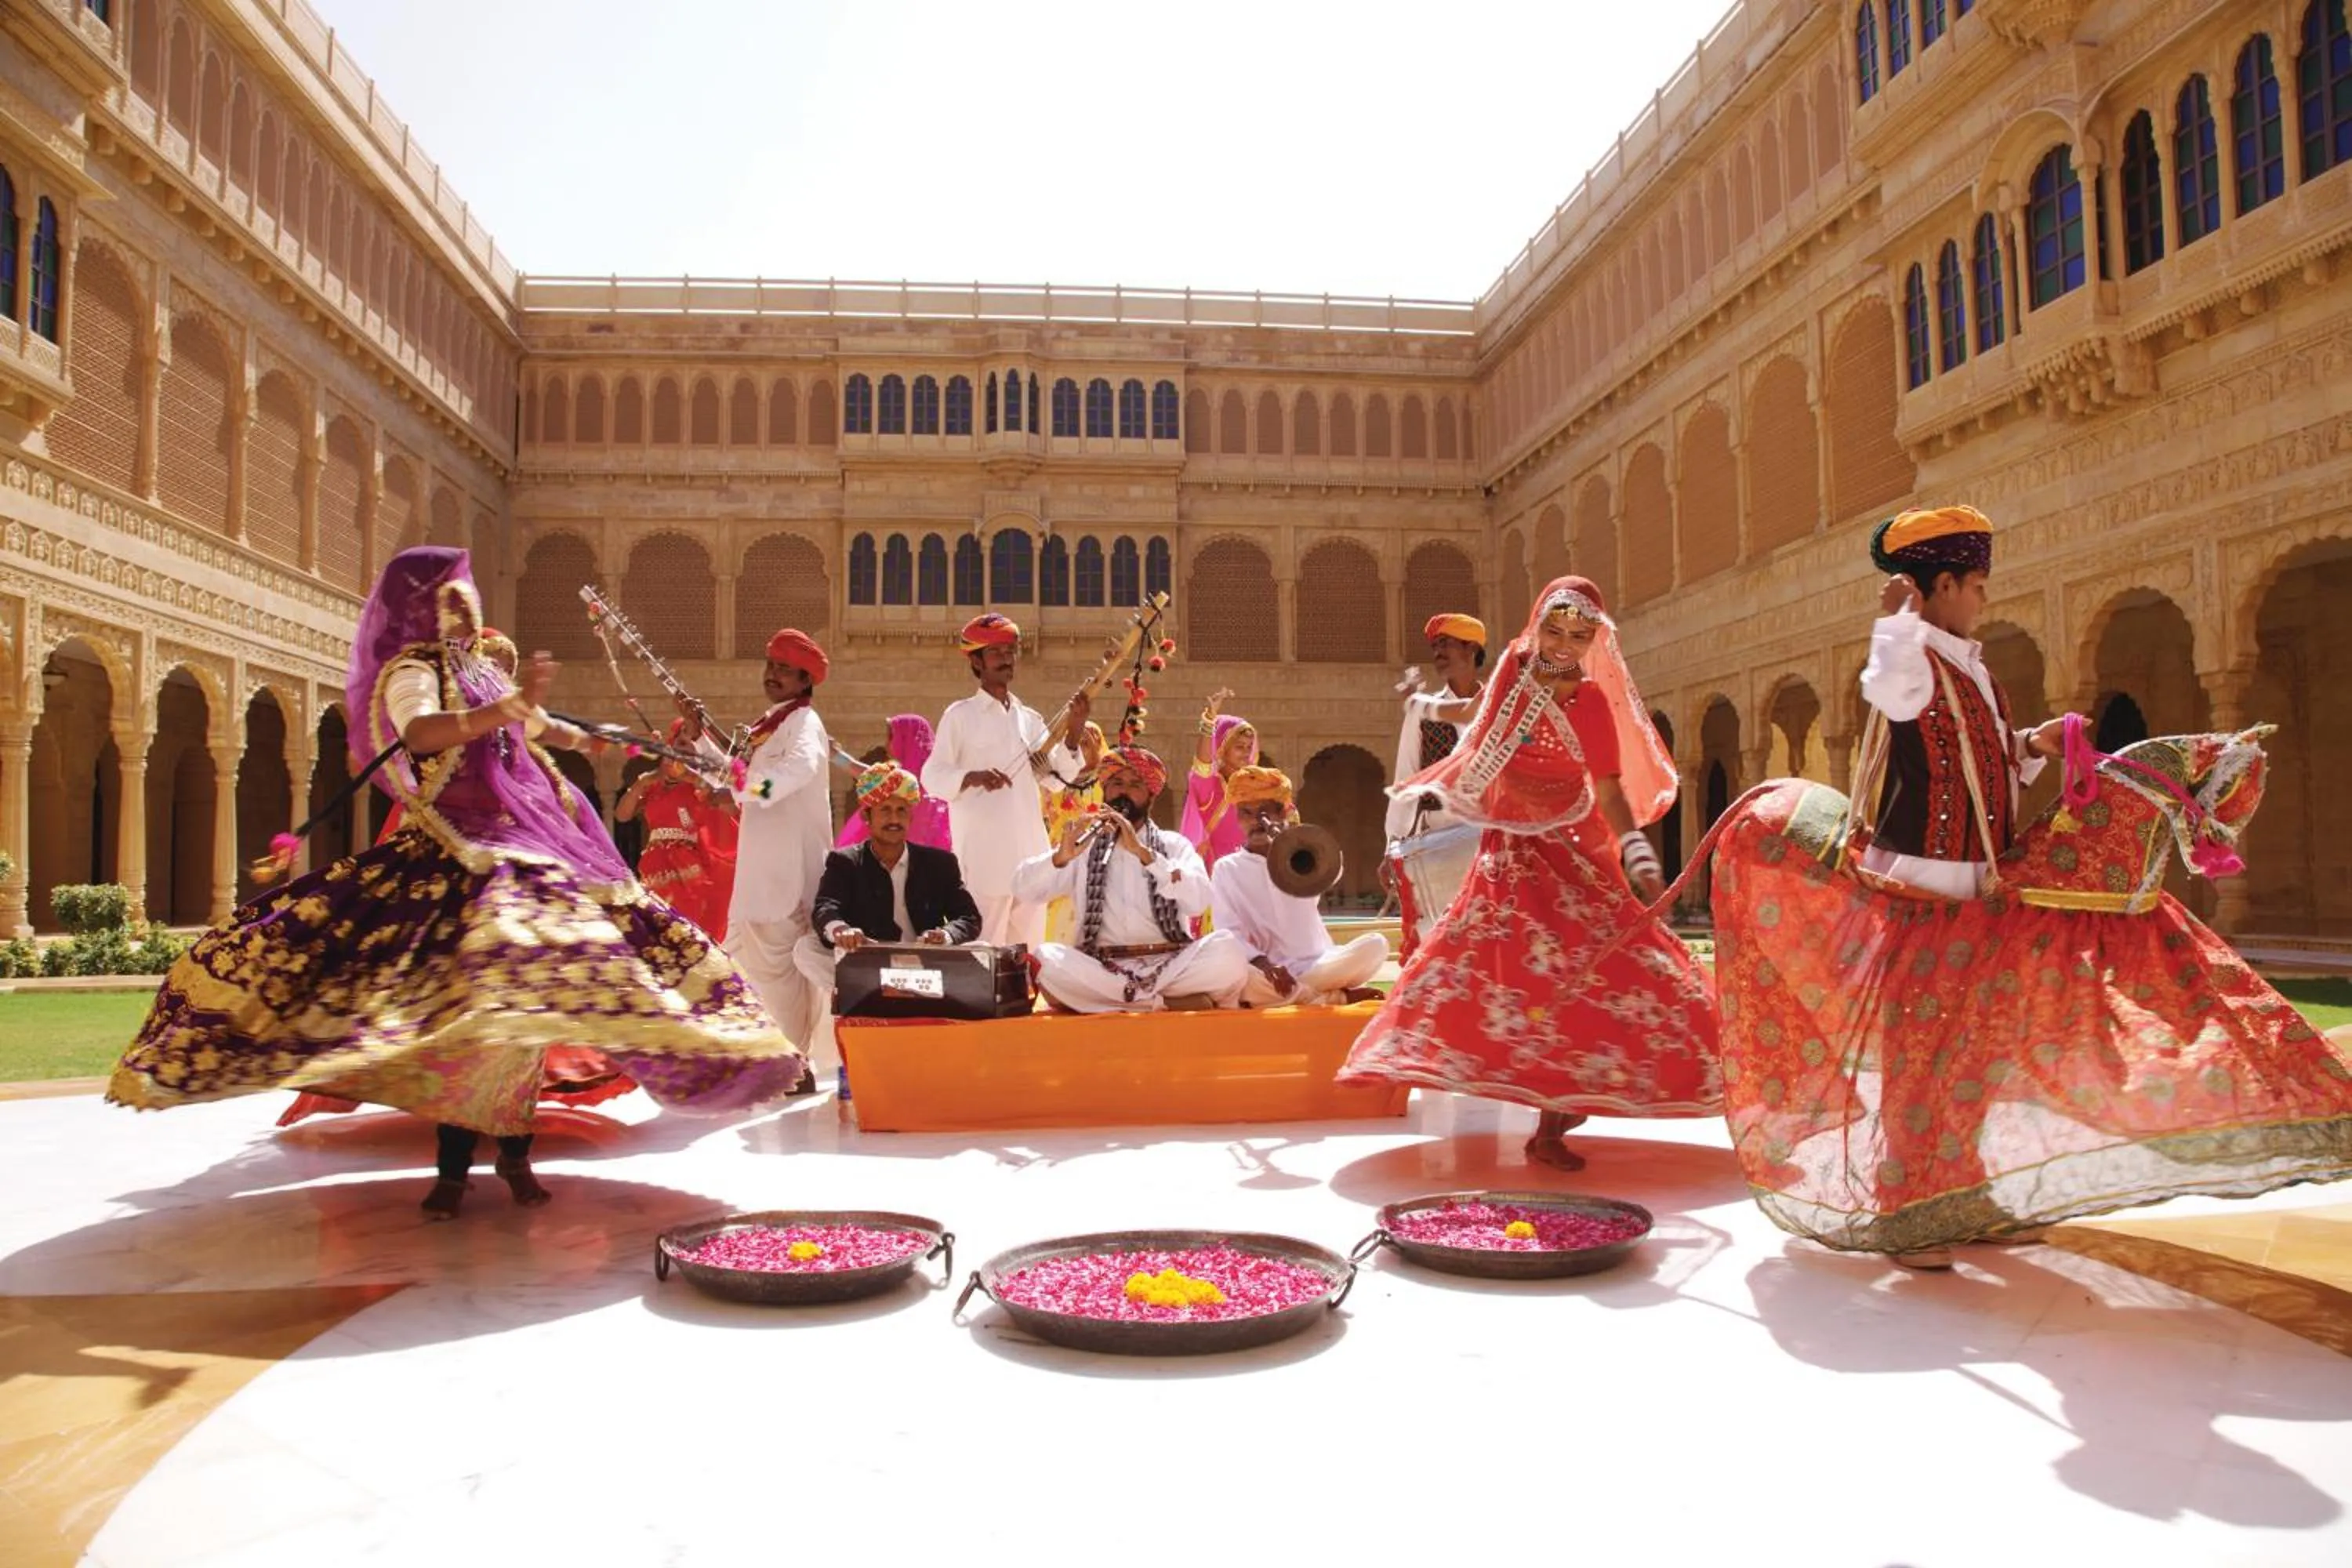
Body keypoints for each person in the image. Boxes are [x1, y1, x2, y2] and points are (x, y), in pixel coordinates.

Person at [107, 546, 801, 1218]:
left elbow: (543, 729)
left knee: (532, 1006)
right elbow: (421, 734)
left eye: (469, 602)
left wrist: (601, 740)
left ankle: (515, 1153)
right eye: (452, 603)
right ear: (422, 612)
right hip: (458, 859)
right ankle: (454, 1168)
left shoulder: (484, 676)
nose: (467, 613)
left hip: (531, 848)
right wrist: (502, 713)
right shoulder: (413, 671)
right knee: (472, 1021)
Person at [1338, 575, 1719, 1171]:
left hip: (1577, 845)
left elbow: (1609, 786)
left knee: (1611, 966)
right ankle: (1523, 1104)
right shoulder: (1517, 675)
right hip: (1516, 851)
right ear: (1537, 626)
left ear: (1595, 640)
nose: (1565, 645)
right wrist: (1427, 706)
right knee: (1512, 974)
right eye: (1555, 631)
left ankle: (1555, 1120)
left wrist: (1635, 846)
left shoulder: (1591, 701)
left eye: (1579, 635)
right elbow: (1478, 719)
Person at [1857, 505, 2069, 898]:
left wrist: (2032, 744)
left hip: (1984, 866)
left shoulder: (1974, 670)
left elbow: (1978, 754)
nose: (1983, 601)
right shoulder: (1914, 658)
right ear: (1946, 586)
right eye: (1978, 587)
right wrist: (1902, 619)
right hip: (1927, 874)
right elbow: (1886, 691)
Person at [684, 627, 835, 1085]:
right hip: (761, 871)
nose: (773, 675)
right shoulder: (769, 726)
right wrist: (699, 740)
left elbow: (795, 772)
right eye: (770, 666)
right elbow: (729, 778)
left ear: (805, 681)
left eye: (784, 669)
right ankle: (774, 1062)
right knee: (756, 972)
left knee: (782, 975)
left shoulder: (804, 724)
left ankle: (792, 1066)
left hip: (786, 873)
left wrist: (749, 787)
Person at [1012, 746, 1254, 1013]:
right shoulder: (1084, 847)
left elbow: (1198, 900)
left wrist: (1146, 857)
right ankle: (1162, 1002)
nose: (1123, 791)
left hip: (1172, 962)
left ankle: (1121, 1002)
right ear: (1105, 791)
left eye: (1134, 784)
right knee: (1046, 961)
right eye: (1116, 783)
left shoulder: (1173, 846)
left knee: (1229, 952)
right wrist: (1060, 857)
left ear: (1151, 795)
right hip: (1104, 967)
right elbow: (1023, 888)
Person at [922, 613, 1087, 948]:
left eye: (1010, 652)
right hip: (984, 858)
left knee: (1028, 954)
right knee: (984, 952)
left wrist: (1075, 731)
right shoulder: (960, 716)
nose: (1007, 659)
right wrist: (971, 776)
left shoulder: (1030, 719)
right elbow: (932, 777)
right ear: (976, 661)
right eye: (996, 652)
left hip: (1030, 855)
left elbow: (1056, 780)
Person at [793, 762, 985, 1030]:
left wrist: (946, 935)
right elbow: (826, 908)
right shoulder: (845, 862)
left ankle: (898, 998)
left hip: (926, 962)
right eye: (885, 810)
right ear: (867, 817)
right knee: (806, 949)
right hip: (873, 965)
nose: (894, 819)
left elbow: (968, 918)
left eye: (901, 811)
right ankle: (868, 999)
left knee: (985, 951)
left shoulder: (939, 863)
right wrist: (842, 931)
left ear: (910, 817)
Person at [1210, 766, 1388, 1007]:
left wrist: (1293, 843)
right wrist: (1264, 964)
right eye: (1246, 813)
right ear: (1238, 818)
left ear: (1282, 813)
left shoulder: (1303, 853)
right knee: (1244, 982)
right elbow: (1229, 932)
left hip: (1319, 962)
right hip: (1269, 972)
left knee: (1376, 945)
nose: (1256, 821)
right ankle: (1334, 997)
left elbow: (1333, 872)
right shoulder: (1227, 869)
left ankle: (1305, 996)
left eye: (1264, 812)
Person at [1385, 613, 1488, 957]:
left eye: (1445, 644)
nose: (1438, 653)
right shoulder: (1423, 711)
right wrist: (1391, 846)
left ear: (1471, 648)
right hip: (1433, 842)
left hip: (1489, 842)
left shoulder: (1498, 708)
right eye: (1435, 647)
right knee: (1437, 942)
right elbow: (1406, 777)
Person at [617, 720, 738, 940]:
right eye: (678, 747)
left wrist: (692, 778)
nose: (682, 755)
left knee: (685, 930)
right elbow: (622, 815)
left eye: (690, 747)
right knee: (655, 930)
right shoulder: (654, 785)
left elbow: (728, 807)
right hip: (654, 867)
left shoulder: (701, 785)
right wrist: (642, 783)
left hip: (688, 870)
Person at [837, 714, 953, 853]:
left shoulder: (904, 780)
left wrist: (834, 755)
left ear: (905, 740)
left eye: (891, 738)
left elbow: (861, 772)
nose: (886, 745)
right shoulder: (936, 777)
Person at [1040, 720, 1109, 944]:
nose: (1081, 748)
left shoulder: (1108, 780)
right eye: (1077, 744)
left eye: (1087, 743)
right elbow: (1047, 809)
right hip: (1060, 848)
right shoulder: (1057, 779)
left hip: (1095, 851)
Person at [1180, 693, 1259, 871]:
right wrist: (1209, 722)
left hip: (1250, 871)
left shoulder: (1255, 786)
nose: (1246, 752)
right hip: (1215, 873)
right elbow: (1202, 765)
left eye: (1249, 747)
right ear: (1222, 748)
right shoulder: (1211, 786)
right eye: (1239, 747)